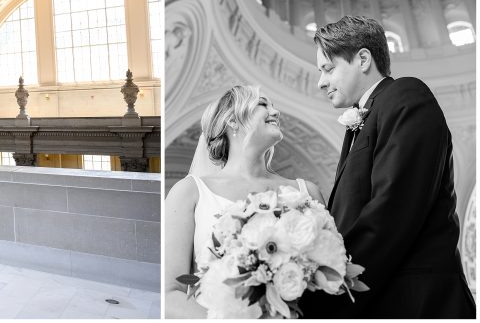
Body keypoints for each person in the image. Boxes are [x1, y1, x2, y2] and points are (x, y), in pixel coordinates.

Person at [298, 16, 475, 318]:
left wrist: (328, 294)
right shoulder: (365, 117)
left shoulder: (406, 96)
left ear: (363, 59)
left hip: (417, 303)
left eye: (328, 68)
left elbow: (393, 208)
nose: (321, 81)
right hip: (382, 300)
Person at [164, 85, 324, 318]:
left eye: (274, 106)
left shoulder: (307, 191)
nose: (275, 112)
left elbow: (329, 278)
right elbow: (170, 293)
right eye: (263, 104)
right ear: (232, 121)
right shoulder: (190, 192)